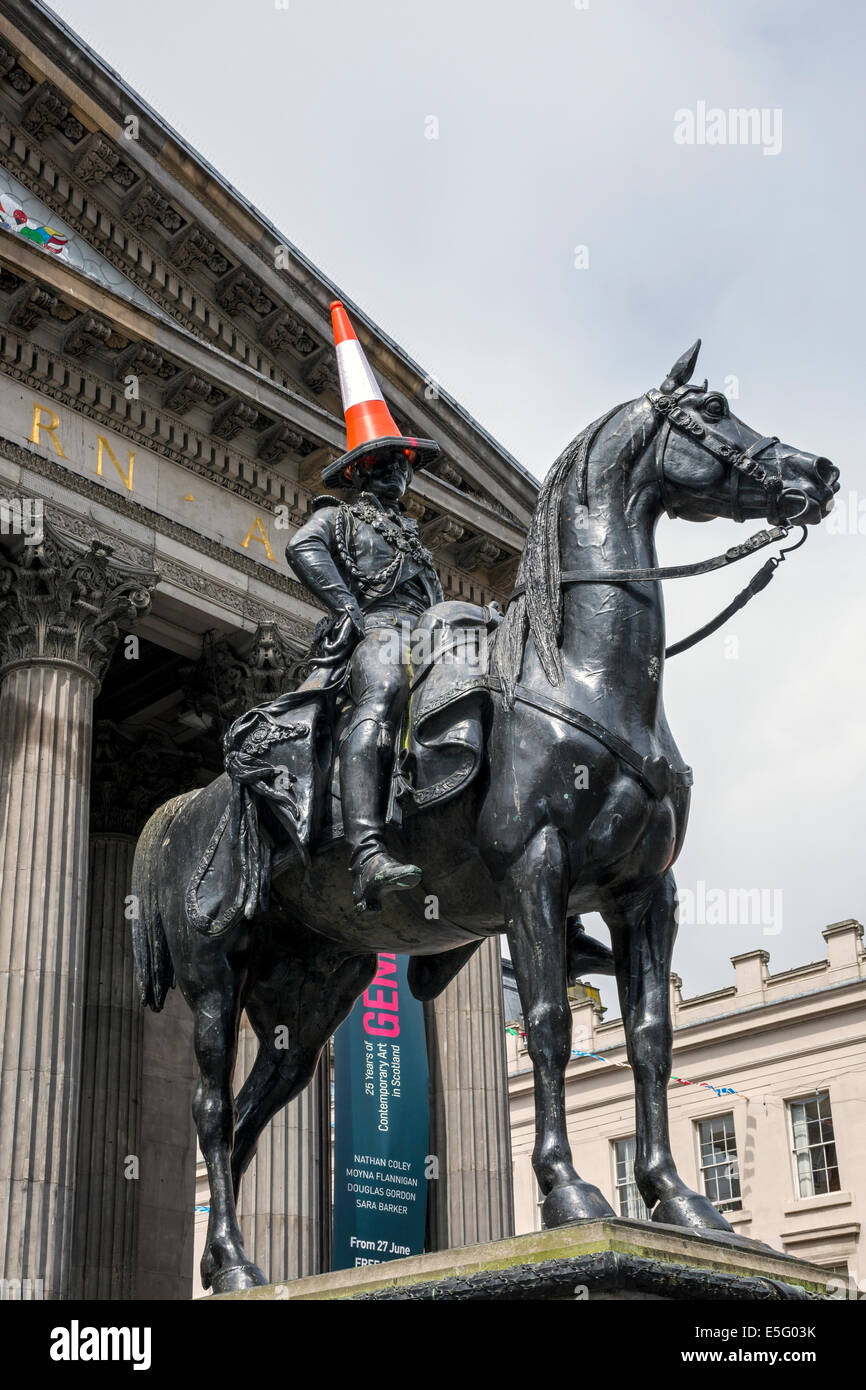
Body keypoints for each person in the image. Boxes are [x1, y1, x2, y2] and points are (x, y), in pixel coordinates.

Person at [287, 301, 443, 912]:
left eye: (402, 465)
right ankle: (367, 848)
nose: (396, 475)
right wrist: (349, 608)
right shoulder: (339, 519)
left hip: (432, 637)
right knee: (380, 697)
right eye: (382, 464)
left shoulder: (416, 541)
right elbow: (302, 545)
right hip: (379, 632)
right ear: (358, 473)